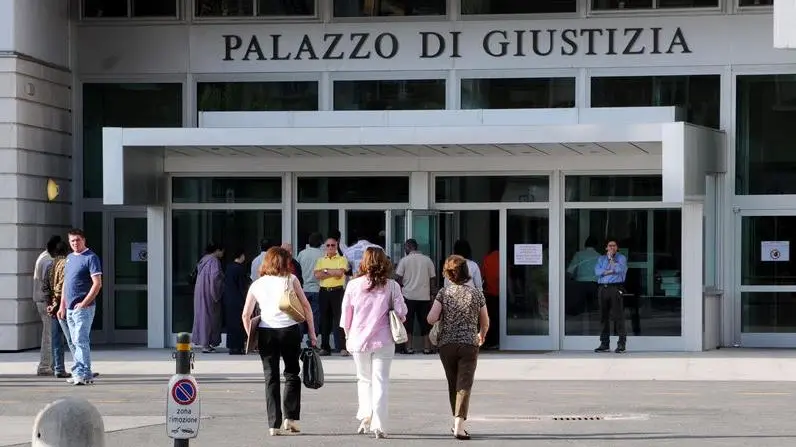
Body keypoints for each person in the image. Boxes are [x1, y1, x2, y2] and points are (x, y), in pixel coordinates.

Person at [241, 247, 316, 437]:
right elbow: (306, 307)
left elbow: (246, 314)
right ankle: (291, 418)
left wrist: (252, 335)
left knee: (271, 377)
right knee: (292, 373)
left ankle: (273, 424)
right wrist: (313, 334)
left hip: (266, 332)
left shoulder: (257, 284)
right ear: (285, 262)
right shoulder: (291, 279)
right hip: (289, 330)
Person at [341, 247, 407, 439]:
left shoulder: (353, 285)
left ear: (364, 261)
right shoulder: (392, 285)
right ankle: (379, 424)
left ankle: (365, 415)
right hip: (384, 340)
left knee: (364, 379)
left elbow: (346, 316)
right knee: (380, 381)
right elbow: (402, 313)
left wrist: (347, 336)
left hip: (358, 339)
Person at [427, 255, 489, 441]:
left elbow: (431, 318)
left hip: (447, 345)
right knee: (464, 384)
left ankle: (456, 423)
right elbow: (485, 321)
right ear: (466, 272)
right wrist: (481, 334)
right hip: (469, 344)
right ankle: (459, 426)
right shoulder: (476, 293)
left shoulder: (443, 293)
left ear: (447, 274)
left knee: (453, 383)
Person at [57, 229, 102, 386]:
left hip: (83, 308)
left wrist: (84, 303)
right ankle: (83, 372)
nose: (75, 243)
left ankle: (81, 373)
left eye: (77, 240)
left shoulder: (91, 258)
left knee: (80, 340)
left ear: (84, 240)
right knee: (74, 342)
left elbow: (97, 284)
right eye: (72, 241)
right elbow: (65, 285)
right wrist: (62, 305)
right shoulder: (69, 258)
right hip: (69, 308)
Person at [394, 239, 436, 355]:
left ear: (407, 247)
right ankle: (427, 348)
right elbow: (433, 278)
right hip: (424, 296)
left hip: (408, 295)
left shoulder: (404, 261)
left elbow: (398, 277)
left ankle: (409, 347)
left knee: (409, 322)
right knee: (425, 323)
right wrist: (432, 294)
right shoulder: (428, 260)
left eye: (405, 248)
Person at [314, 237, 349, 356]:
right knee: (324, 320)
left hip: (337, 291)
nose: (330, 247)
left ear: (336, 246)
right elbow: (317, 275)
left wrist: (325, 271)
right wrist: (331, 271)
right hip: (324, 291)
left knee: (340, 319)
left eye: (332, 245)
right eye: (328, 245)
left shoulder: (342, 259)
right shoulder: (320, 260)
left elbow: (340, 273)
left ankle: (343, 347)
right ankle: (325, 347)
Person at [42, 241, 72, 378]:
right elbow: (62, 286)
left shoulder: (49, 265)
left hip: (52, 306)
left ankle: (58, 367)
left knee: (56, 339)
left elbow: (45, 287)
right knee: (73, 339)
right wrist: (57, 303)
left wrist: (50, 303)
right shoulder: (67, 264)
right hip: (64, 305)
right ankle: (81, 367)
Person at [33, 235, 61, 376]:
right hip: (46, 302)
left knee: (49, 333)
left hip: (42, 300)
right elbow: (48, 284)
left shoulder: (43, 256)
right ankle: (45, 366)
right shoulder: (48, 261)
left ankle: (51, 364)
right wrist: (52, 303)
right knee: (49, 335)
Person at [594, 239, 628, 353]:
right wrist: (610, 271)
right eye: (610, 245)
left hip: (615, 288)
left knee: (618, 316)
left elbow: (619, 269)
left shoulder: (621, 258)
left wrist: (611, 260)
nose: (612, 247)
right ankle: (604, 344)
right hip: (602, 288)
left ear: (617, 247)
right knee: (603, 317)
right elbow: (597, 272)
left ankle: (621, 344)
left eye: (614, 245)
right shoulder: (600, 259)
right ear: (606, 248)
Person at [192, 243, 224, 353]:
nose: (222, 254)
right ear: (217, 250)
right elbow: (215, 278)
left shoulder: (203, 260)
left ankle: (204, 343)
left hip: (200, 292)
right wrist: (217, 294)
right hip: (209, 293)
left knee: (202, 317)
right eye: (222, 251)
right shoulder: (214, 261)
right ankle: (206, 344)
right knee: (210, 318)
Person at [295, 232, 324, 338]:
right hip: (318, 288)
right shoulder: (323, 254)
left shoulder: (302, 253)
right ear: (321, 242)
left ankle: (299, 337)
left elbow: (297, 268)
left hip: (303, 288)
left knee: (301, 314)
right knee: (315, 316)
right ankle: (313, 338)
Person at [223, 247, 249, 355]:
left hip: (229, 298)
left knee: (231, 323)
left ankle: (231, 346)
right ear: (241, 256)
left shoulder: (228, 267)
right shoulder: (240, 269)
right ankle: (238, 347)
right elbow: (242, 286)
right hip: (238, 299)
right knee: (239, 324)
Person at [480, 243, 500, 349]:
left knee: (491, 318)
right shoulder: (503, 258)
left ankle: (491, 341)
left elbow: (483, 277)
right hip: (501, 292)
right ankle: (499, 340)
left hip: (490, 293)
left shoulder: (487, 259)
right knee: (499, 318)